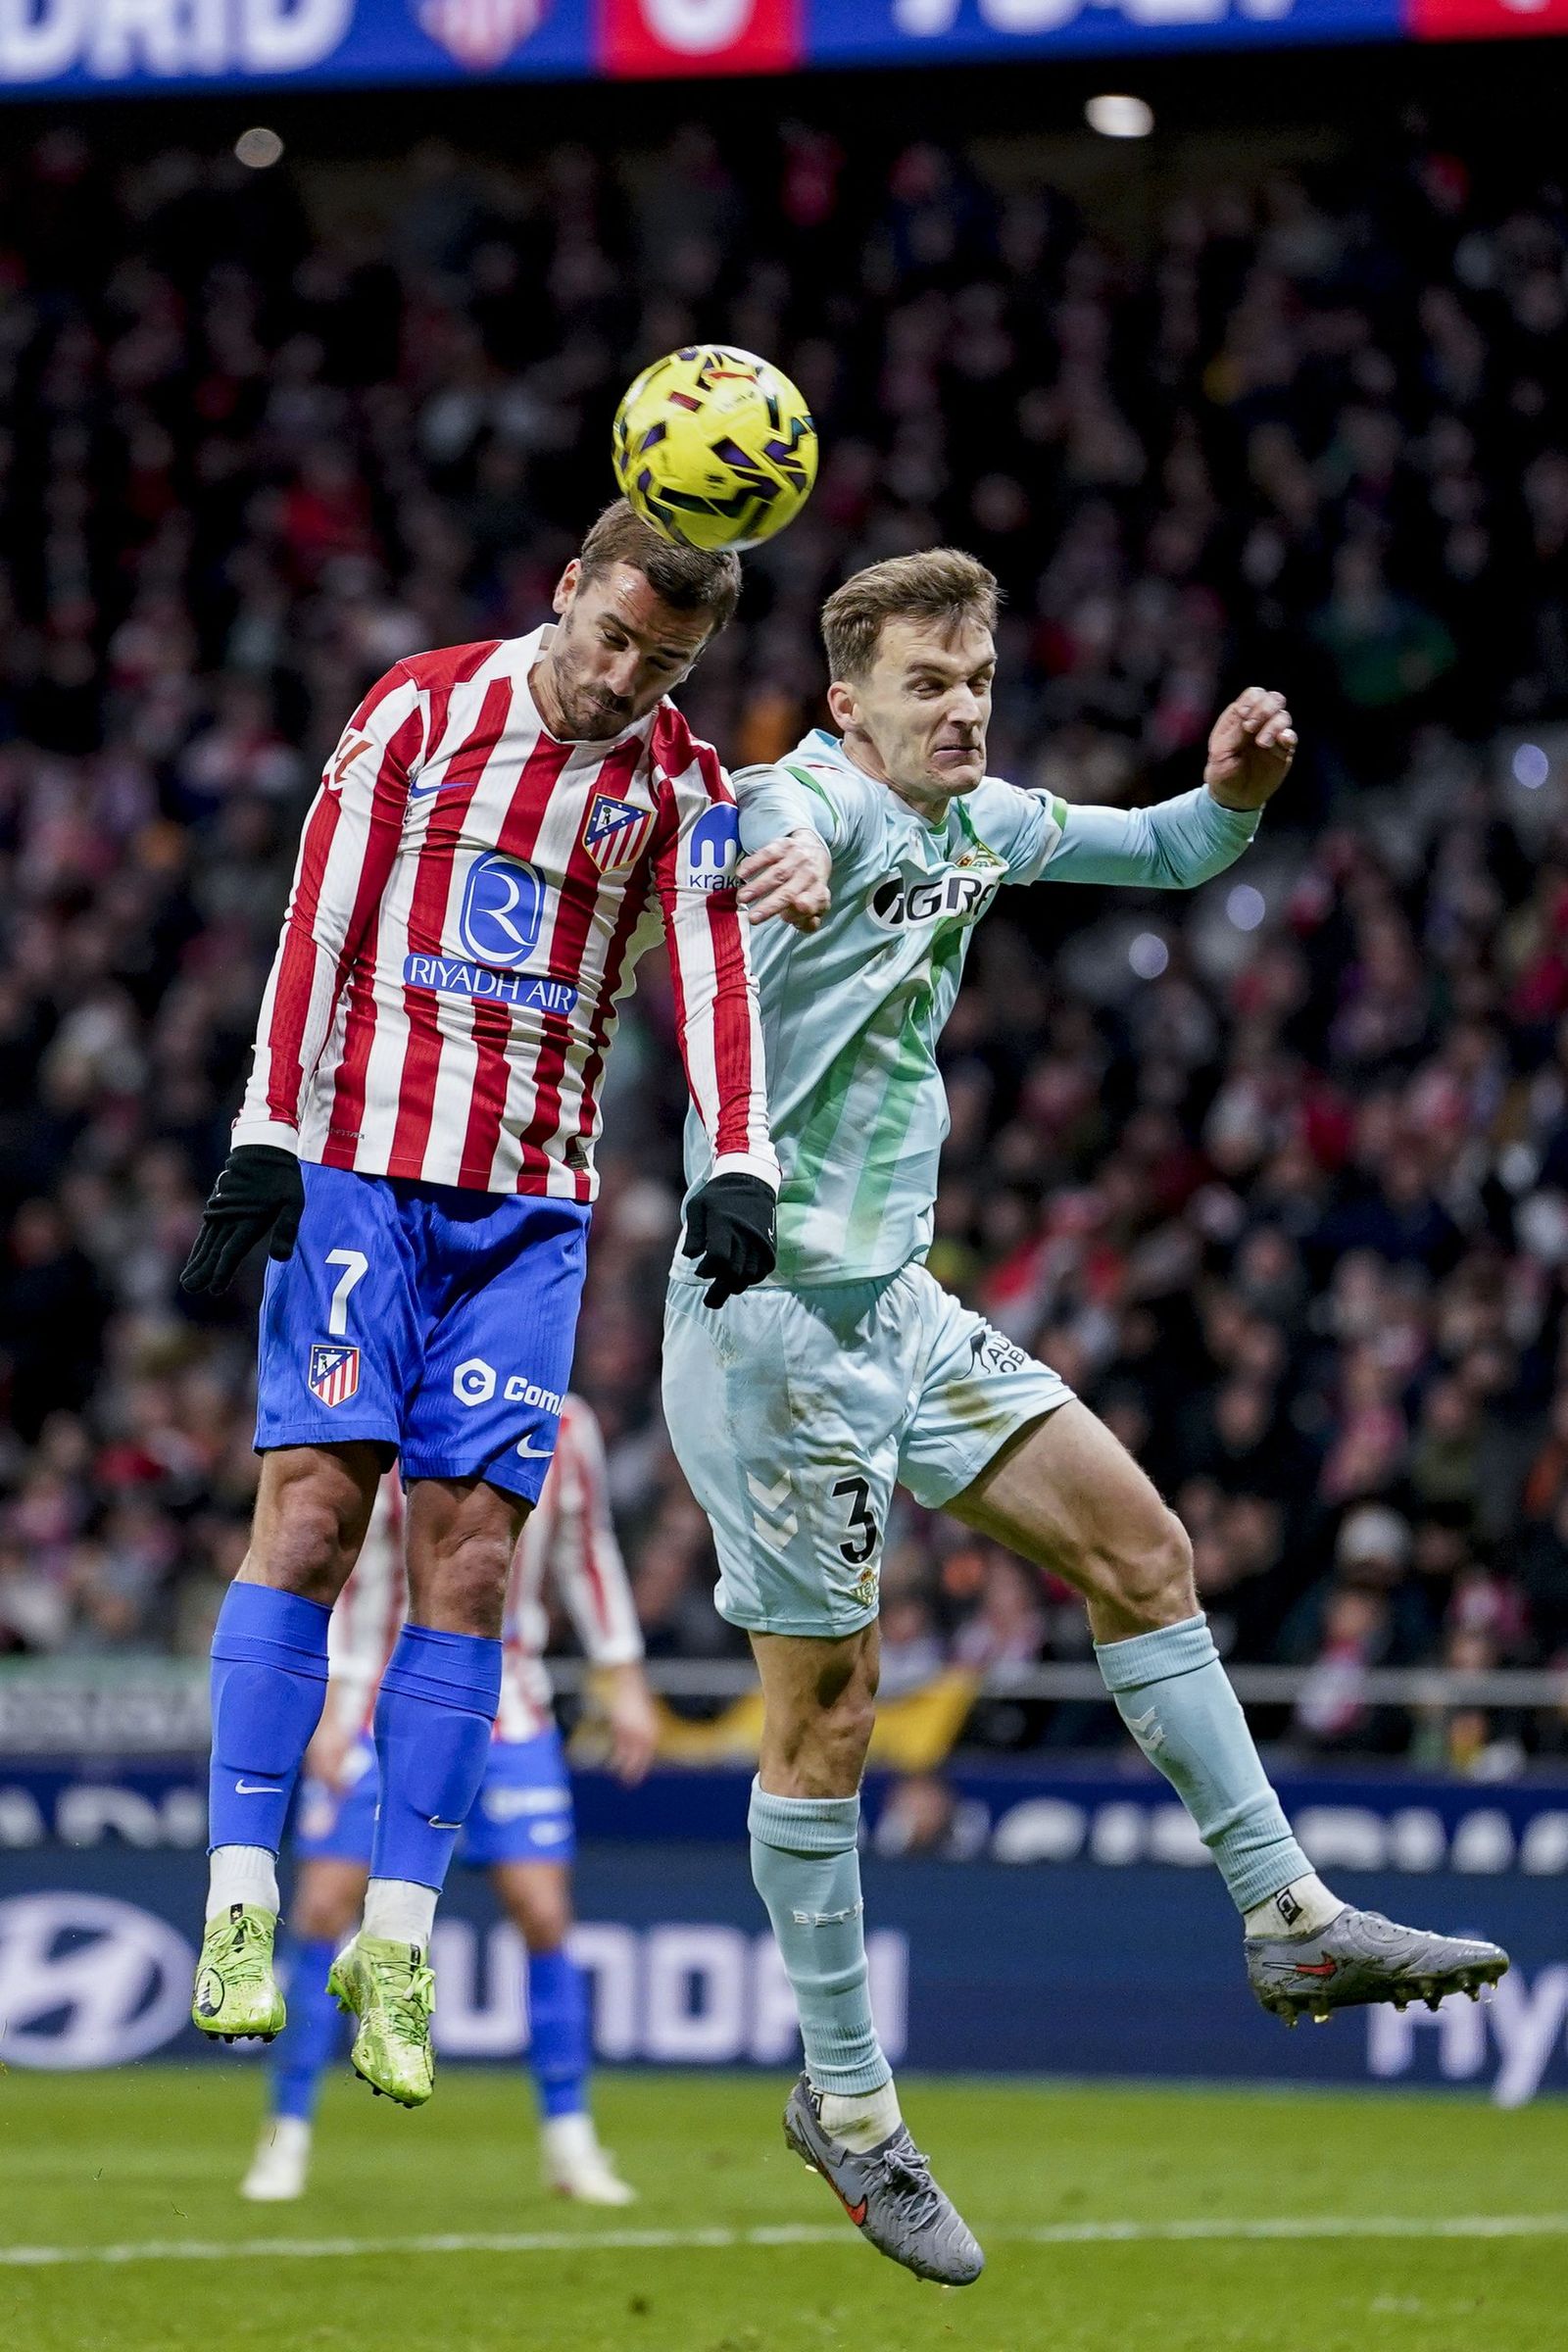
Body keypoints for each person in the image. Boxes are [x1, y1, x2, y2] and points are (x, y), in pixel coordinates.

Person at [662, 548, 1509, 2287]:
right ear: (849, 704)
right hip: (770, 1336)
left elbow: (1176, 851)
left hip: (898, 1307)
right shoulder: (799, 800)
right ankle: (852, 2108)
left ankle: (1287, 1919)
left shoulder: (985, 826)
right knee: (827, 1719)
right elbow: (752, 829)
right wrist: (782, 850)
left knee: (1144, 1549)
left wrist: (1235, 795)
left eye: (975, 679)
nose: (961, 705)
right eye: (926, 683)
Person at [181, 501, 780, 2107]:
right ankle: (240, 1902)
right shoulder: (422, 706)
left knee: (475, 1561)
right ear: (566, 591)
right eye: (612, 641)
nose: (626, 682)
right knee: (308, 1521)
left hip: (532, 1211)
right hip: (365, 1172)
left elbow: (716, 974)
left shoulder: (684, 788)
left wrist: (743, 1161)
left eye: (667, 664)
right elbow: (320, 920)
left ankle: (397, 1938)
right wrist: (265, 1135)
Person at [241, 1396, 656, 2204]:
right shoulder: (395, 1404)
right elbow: (342, 1549)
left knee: (543, 1914)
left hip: (510, 1702)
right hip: (375, 1697)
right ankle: (284, 2136)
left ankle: (570, 2144)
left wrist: (624, 1673)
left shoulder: (568, 1424)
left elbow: (585, 1548)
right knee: (326, 1907)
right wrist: (333, 1693)